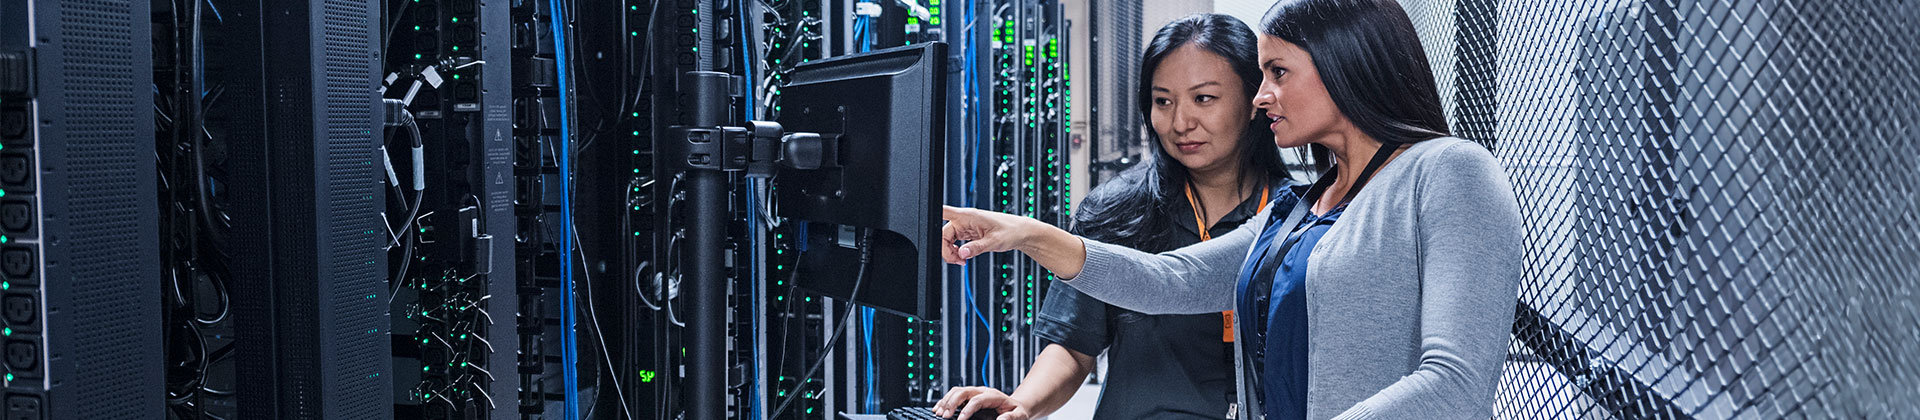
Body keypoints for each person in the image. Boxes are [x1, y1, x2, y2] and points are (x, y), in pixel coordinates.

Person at [935, 1, 1525, 419]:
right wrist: (1023, 233)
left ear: (1345, 64)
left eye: (1278, 73)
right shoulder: (1303, 207)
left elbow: (1456, 383)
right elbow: (1174, 278)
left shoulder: (1450, 171)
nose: (1262, 95)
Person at [933, 13, 1289, 420]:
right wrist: (1023, 403)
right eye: (1163, 101)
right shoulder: (1118, 210)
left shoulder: (1297, 219)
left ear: (1254, 101)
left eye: (1203, 98)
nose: (1180, 122)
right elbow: (1073, 345)